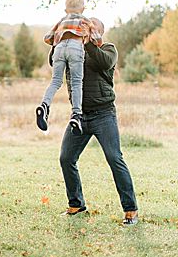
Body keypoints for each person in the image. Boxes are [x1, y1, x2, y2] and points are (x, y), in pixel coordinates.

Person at [58, 18, 139, 225]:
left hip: (104, 114)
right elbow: (55, 62)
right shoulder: (73, 50)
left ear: (100, 31)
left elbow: (104, 62)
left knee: (114, 158)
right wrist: (62, 37)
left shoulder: (108, 49)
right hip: (80, 115)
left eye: (91, 27)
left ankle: (130, 210)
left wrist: (92, 42)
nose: (85, 30)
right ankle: (76, 205)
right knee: (66, 158)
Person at [37, 0, 97, 134]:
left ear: (66, 10)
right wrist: (88, 38)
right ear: (83, 8)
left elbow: (47, 37)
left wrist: (60, 37)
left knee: (56, 81)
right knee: (76, 82)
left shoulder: (61, 20)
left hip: (59, 49)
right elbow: (96, 39)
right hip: (76, 48)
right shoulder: (85, 20)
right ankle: (76, 114)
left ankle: (44, 105)